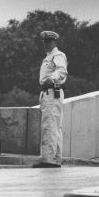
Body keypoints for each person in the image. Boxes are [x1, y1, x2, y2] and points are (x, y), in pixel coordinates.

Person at [32, 30, 68, 168]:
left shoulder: (57, 55)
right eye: (44, 42)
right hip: (49, 93)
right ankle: (56, 158)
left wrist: (51, 79)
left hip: (52, 92)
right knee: (55, 127)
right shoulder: (48, 57)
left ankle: (48, 160)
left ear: (54, 42)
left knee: (50, 126)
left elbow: (62, 70)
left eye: (48, 41)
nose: (46, 44)